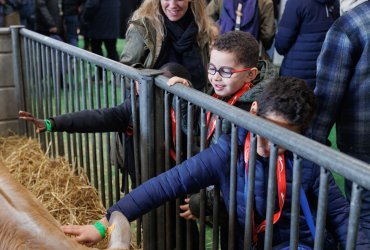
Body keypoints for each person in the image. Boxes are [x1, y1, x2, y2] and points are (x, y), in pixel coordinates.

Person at [60, 77, 370, 249]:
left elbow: (342, 215)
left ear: (301, 134)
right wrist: (105, 223)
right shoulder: (229, 150)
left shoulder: (310, 158)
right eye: (268, 131)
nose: (272, 145)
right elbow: (168, 183)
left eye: (286, 139)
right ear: (254, 112)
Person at [308, 0, 370, 239]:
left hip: (362, 143)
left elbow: (327, 95)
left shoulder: (350, 25)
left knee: (364, 218)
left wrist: (311, 144)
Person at [120, 0, 213, 91]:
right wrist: (139, 79)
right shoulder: (144, 27)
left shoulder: (202, 28)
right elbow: (124, 69)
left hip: (195, 100)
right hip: (155, 101)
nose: (172, 5)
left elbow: (209, 70)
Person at [274, 0, 339, 90]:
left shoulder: (296, 2)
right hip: (324, 74)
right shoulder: (334, 2)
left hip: (295, 77)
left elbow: (281, 44)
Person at [206, 0, 276, 60]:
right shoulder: (265, 2)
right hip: (250, 56)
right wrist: (265, 46)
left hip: (222, 51)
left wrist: (216, 35)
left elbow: (207, 17)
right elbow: (268, 34)